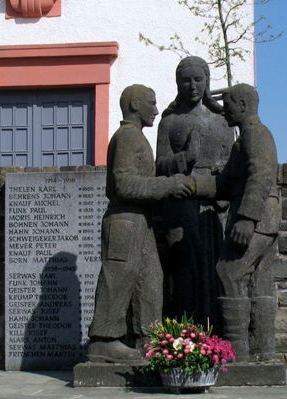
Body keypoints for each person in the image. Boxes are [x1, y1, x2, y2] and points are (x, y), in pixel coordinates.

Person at [87, 84, 195, 363]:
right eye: (151, 103)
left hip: (140, 221)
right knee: (118, 278)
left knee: (150, 280)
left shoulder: (135, 138)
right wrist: (167, 185)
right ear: (135, 105)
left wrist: (175, 170)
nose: (157, 110)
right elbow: (122, 185)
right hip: (124, 219)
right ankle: (104, 340)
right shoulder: (127, 137)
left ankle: (149, 339)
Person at [194, 83, 280, 361]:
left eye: (229, 105)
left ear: (242, 105)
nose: (225, 110)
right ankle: (263, 352)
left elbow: (261, 175)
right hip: (262, 219)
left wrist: (246, 218)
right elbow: (224, 183)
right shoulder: (245, 137)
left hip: (257, 218)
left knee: (228, 272)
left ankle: (238, 352)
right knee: (259, 283)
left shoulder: (256, 135)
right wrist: (187, 185)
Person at [156, 56, 235, 331]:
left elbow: (231, 165)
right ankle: (182, 338)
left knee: (212, 273)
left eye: (198, 80)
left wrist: (218, 178)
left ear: (206, 81)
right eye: (186, 80)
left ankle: (215, 337)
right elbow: (160, 166)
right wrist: (182, 159)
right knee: (183, 275)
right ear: (178, 83)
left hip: (212, 208)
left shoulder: (222, 121)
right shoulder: (169, 122)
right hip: (180, 205)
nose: (192, 86)